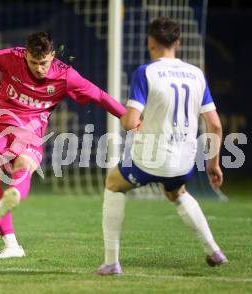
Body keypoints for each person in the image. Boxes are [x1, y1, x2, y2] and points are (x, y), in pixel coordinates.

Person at [0, 32, 126, 258]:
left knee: (24, 165)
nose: (39, 68)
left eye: (44, 63)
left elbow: (98, 95)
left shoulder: (66, 76)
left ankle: (14, 194)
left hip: (29, 133)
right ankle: (11, 245)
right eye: (34, 62)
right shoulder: (11, 57)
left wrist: (125, 115)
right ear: (26, 55)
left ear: (53, 56)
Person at [95, 17, 228, 275]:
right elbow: (215, 126)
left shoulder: (146, 72)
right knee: (176, 193)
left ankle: (111, 263)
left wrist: (126, 116)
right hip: (184, 160)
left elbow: (130, 122)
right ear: (177, 42)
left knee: (113, 183)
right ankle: (214, 251)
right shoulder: (196, 74)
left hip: (152, 158)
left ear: (150, 42)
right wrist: (214, 163)